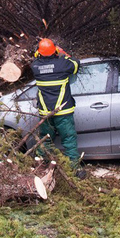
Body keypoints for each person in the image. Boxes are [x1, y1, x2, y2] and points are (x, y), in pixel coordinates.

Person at [30, 38, 86, 179]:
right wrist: (62, 52)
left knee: (45, 139)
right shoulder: (63, 64)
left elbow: (37, 59)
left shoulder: (35, 66)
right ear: (54, 51)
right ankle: (74, 169)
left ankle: (41, 167)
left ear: (39, 53)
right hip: (63, 111)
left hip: (45, 112)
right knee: (68, 139)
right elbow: (76, 64)